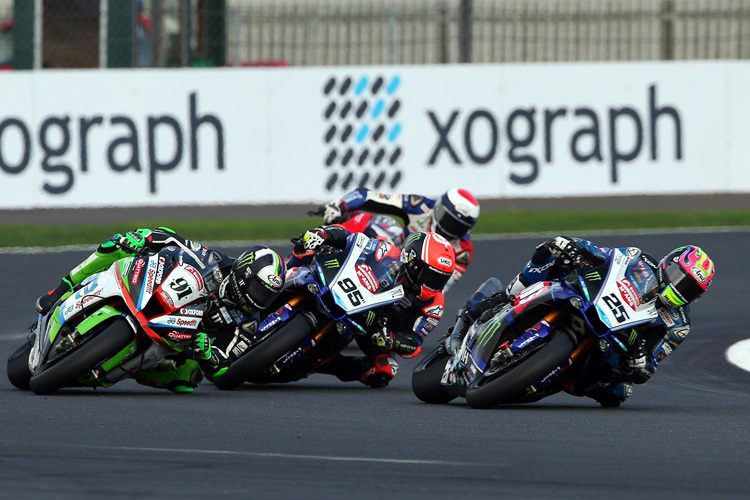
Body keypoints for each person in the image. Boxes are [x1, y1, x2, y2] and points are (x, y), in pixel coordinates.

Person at [449, 236, 715, 407]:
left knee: (617, 392)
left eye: (689, 288)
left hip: (614, 343)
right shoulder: (639, 258)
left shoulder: (678, 324)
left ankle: (541, 377)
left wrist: (641, 362)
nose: (680, 288)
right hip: (586, 298)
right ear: (668, 263)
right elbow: (604, 255)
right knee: (550, 255)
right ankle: (501, 298)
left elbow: (651, 364)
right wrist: (575, 247)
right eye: (679, 276)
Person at [35, 227, 286, 393]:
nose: (258, 298)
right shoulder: (214, 261)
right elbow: (169, 237)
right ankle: (61, 289)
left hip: (178, 340)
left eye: (266, 296)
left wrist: (208, 354)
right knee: (118, 245)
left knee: (189, 380)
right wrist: (143, 238)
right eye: (257, 289)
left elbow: (223, 368)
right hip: (156, 296)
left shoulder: (247, 323)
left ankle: (128, 369)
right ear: (244, 273)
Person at [287, 225, 455, 388]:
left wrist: (392, 339)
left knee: (386, 368)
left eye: (441, 279)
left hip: (373, 329)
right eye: (431, 276)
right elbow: (351, 238)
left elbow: (414, 343)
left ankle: (319, 363)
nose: (434, 285)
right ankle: (284, 273)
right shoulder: (386, 250)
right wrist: (323, 234)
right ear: (412, 262)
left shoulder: (434, 305)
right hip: (344, 289)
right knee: (311, 245)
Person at [316, 187, 478, 293]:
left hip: (409, 280)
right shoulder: (419, 206)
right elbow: (368, 196)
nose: (450, 230)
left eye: (458, 227)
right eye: (449, 221)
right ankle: (322, 246)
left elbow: (440, 288)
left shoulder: (463, 252)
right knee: (378, 221)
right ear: (439, 208)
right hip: (391, 247)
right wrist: (340, 206)